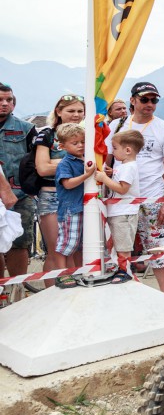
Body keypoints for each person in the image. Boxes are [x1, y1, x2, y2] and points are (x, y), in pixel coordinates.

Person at [106, 81, 164, 295]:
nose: (150, 104)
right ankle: (122, 296)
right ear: (132, 100)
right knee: (119, 249)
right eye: (144, 99)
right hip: (121, 198)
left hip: (152, 197)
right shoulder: (117, 125)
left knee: (159, 251)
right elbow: (107, 158)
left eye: (154, 100)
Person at [34, 94, 85, 285]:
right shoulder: (47, 134)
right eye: (71, 110)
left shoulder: (86, 134)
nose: (76, 115)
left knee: (76, 249)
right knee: (57, 250)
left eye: (80, 111)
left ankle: (75, 291)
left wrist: (57, 163)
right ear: (59, 111)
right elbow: (42, 168)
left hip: (79, 196)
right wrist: (72, 164)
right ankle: (51, 296)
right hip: (52, 195)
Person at [0, 83, 36, 278]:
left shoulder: (27, 129)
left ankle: (17, 289)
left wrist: (31, 188)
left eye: (9, 100)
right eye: (0, 100)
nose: (5, 103)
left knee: (19, 242)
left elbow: (38, 159)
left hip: (20, 196)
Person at [95, 130, 143, 271]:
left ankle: (125, 272)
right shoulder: (123, 167)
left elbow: (123, 189)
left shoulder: (129, 167)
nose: (113, 152)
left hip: (123, 213)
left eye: (115, 148)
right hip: (118, 212)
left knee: (123, 248)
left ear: (127, 150)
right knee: (118, 247)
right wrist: (110, 175)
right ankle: (121, 270)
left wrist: (104, 178)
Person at [54, 123, 96, 273]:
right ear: (62, 146)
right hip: (71, 209)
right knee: (67, 244)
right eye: (75, 143)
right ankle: (62, 274)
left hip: (84, 207)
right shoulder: (65, 163)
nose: (80, 145)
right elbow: (68, 184)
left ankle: (81, 272)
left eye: (83, 142)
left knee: (81, 245)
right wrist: (87, 175)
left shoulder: (87, 159)